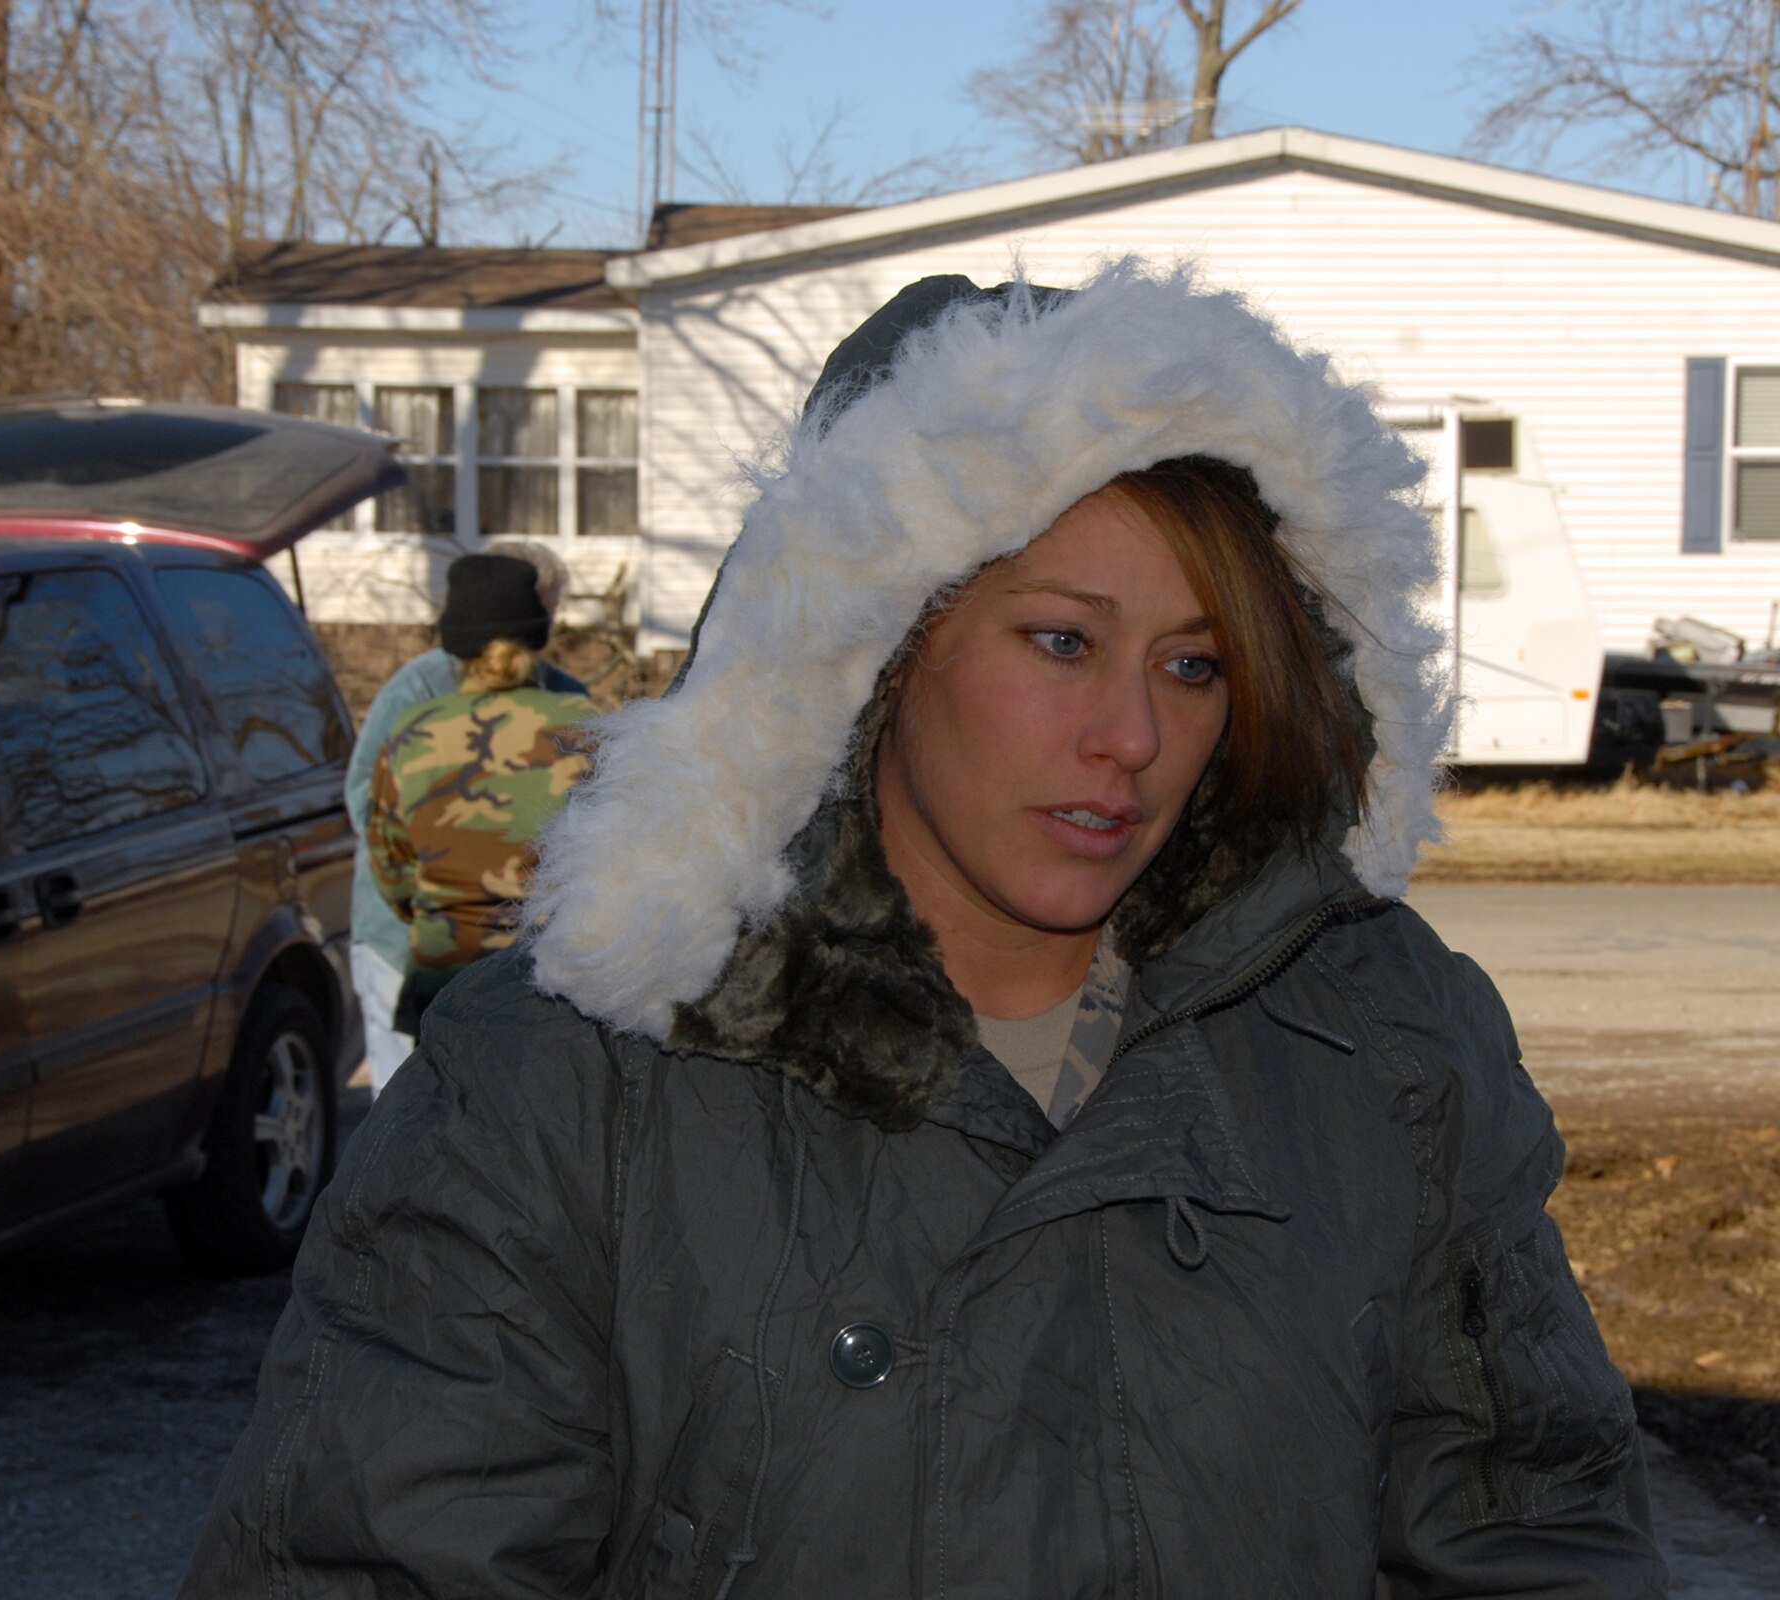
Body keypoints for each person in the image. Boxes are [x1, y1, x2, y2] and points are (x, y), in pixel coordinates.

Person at [184, 263, 1666, 1597]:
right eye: (1063, 642)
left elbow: (1537, 1539)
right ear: (878, 646)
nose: (1134, 736)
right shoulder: (568, 1088)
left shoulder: (1382, 1044)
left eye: (1197, 664)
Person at [343, 544, 588, 1093]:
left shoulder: (415, 728)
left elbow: (388, 854)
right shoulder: (583, 724)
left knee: (414, 1128)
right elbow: (617, 845)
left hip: (439, 959)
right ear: (537, 625)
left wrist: (436, 904)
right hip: (528, 968)